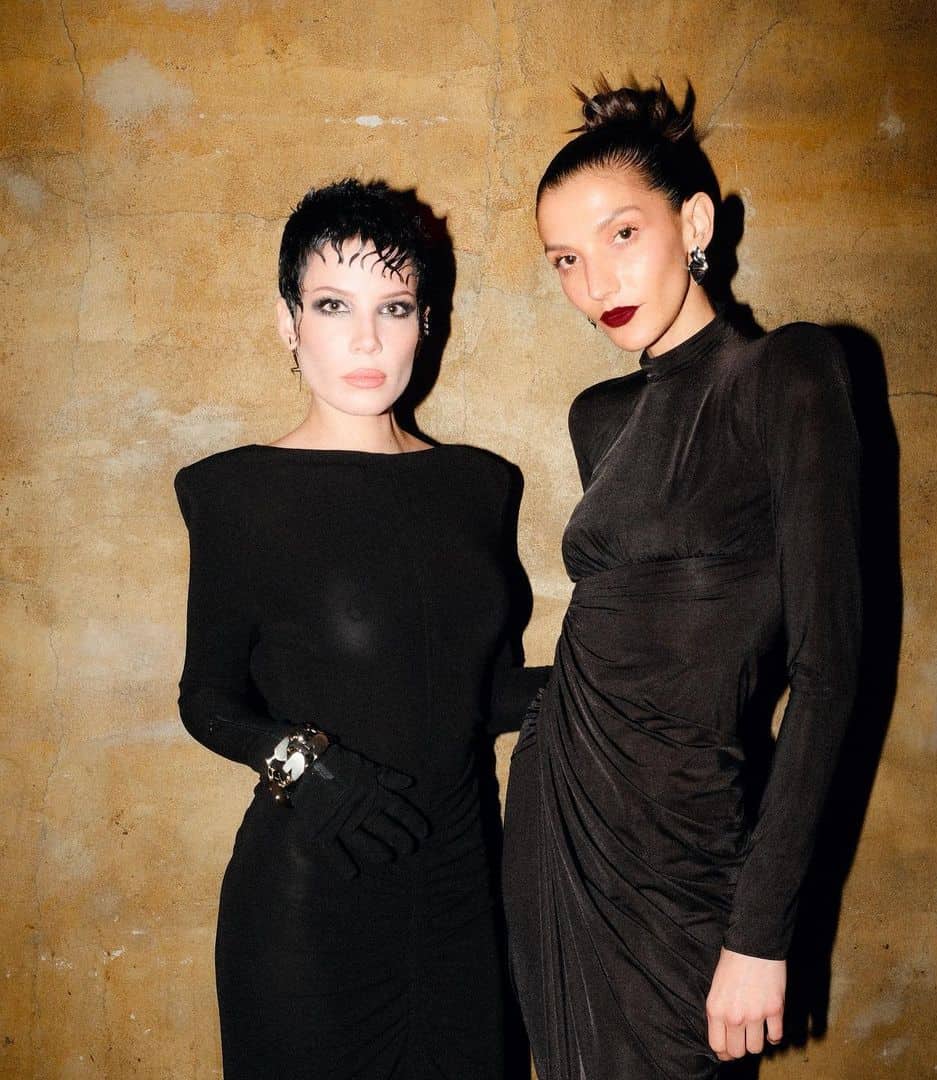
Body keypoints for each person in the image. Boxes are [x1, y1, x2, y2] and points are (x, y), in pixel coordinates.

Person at [502, 80, 862, 1078]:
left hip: (685, 855)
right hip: (558, 816)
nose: (594, 283)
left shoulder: (788, 373)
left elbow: (830, 674)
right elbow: (623, 643)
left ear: (694, 223)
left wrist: (761, 931)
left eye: (621, 235)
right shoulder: (598, 417)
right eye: (565, 260)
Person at [174, 178, 548, 1080]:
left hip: (461, 899)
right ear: (287, 321)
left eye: (396, 307)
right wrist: (301, 763)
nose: (368, 339)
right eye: (334, 305)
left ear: (428, 322)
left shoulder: (480, 485)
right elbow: (207, 698)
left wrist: (624, 669)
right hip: (309, 907)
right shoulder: (234, 493)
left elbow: (482, 693)